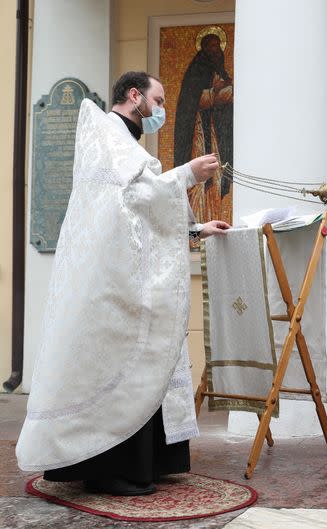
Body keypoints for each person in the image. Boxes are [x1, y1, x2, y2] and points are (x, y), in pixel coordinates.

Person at [16, 71, 230, 496]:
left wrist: (196, 229)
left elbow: (140, 211)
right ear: (135, 96)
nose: (163, 109)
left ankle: (152, 461)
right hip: (111, 287)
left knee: (139, 362)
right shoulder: (108, 135)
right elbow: (134, 198)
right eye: (159, 98)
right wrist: (187, 173)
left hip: (120, 278)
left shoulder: (122, 142)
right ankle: (109, 469)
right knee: (116, 365)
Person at [174, 29, 234, 224]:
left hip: (216, 132)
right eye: (211, 47)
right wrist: (216, 93)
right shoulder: (197, 70)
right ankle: (195, 224)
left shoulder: (220, 71)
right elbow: (193, 100)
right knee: (199, 179)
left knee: (216, 179)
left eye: (218, 47)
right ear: (204, 49)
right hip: (198, 131)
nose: (215, 51)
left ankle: (214, 219)